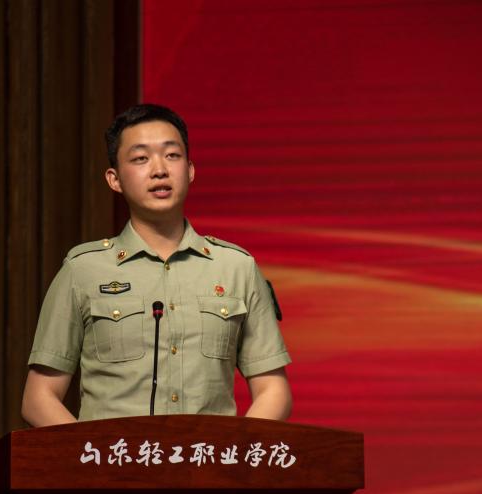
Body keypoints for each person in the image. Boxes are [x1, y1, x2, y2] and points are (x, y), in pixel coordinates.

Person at [21, 104, 292, 426]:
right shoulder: (83, 270)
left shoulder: (236, 268)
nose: (159, 170)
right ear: (114, 179)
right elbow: (39, 398)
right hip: (114, 456)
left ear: (190, 171)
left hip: (207, 456)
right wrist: (94, 454)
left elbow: (273, 390)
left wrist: (233, 453)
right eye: (140, 158)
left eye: (172, 155)